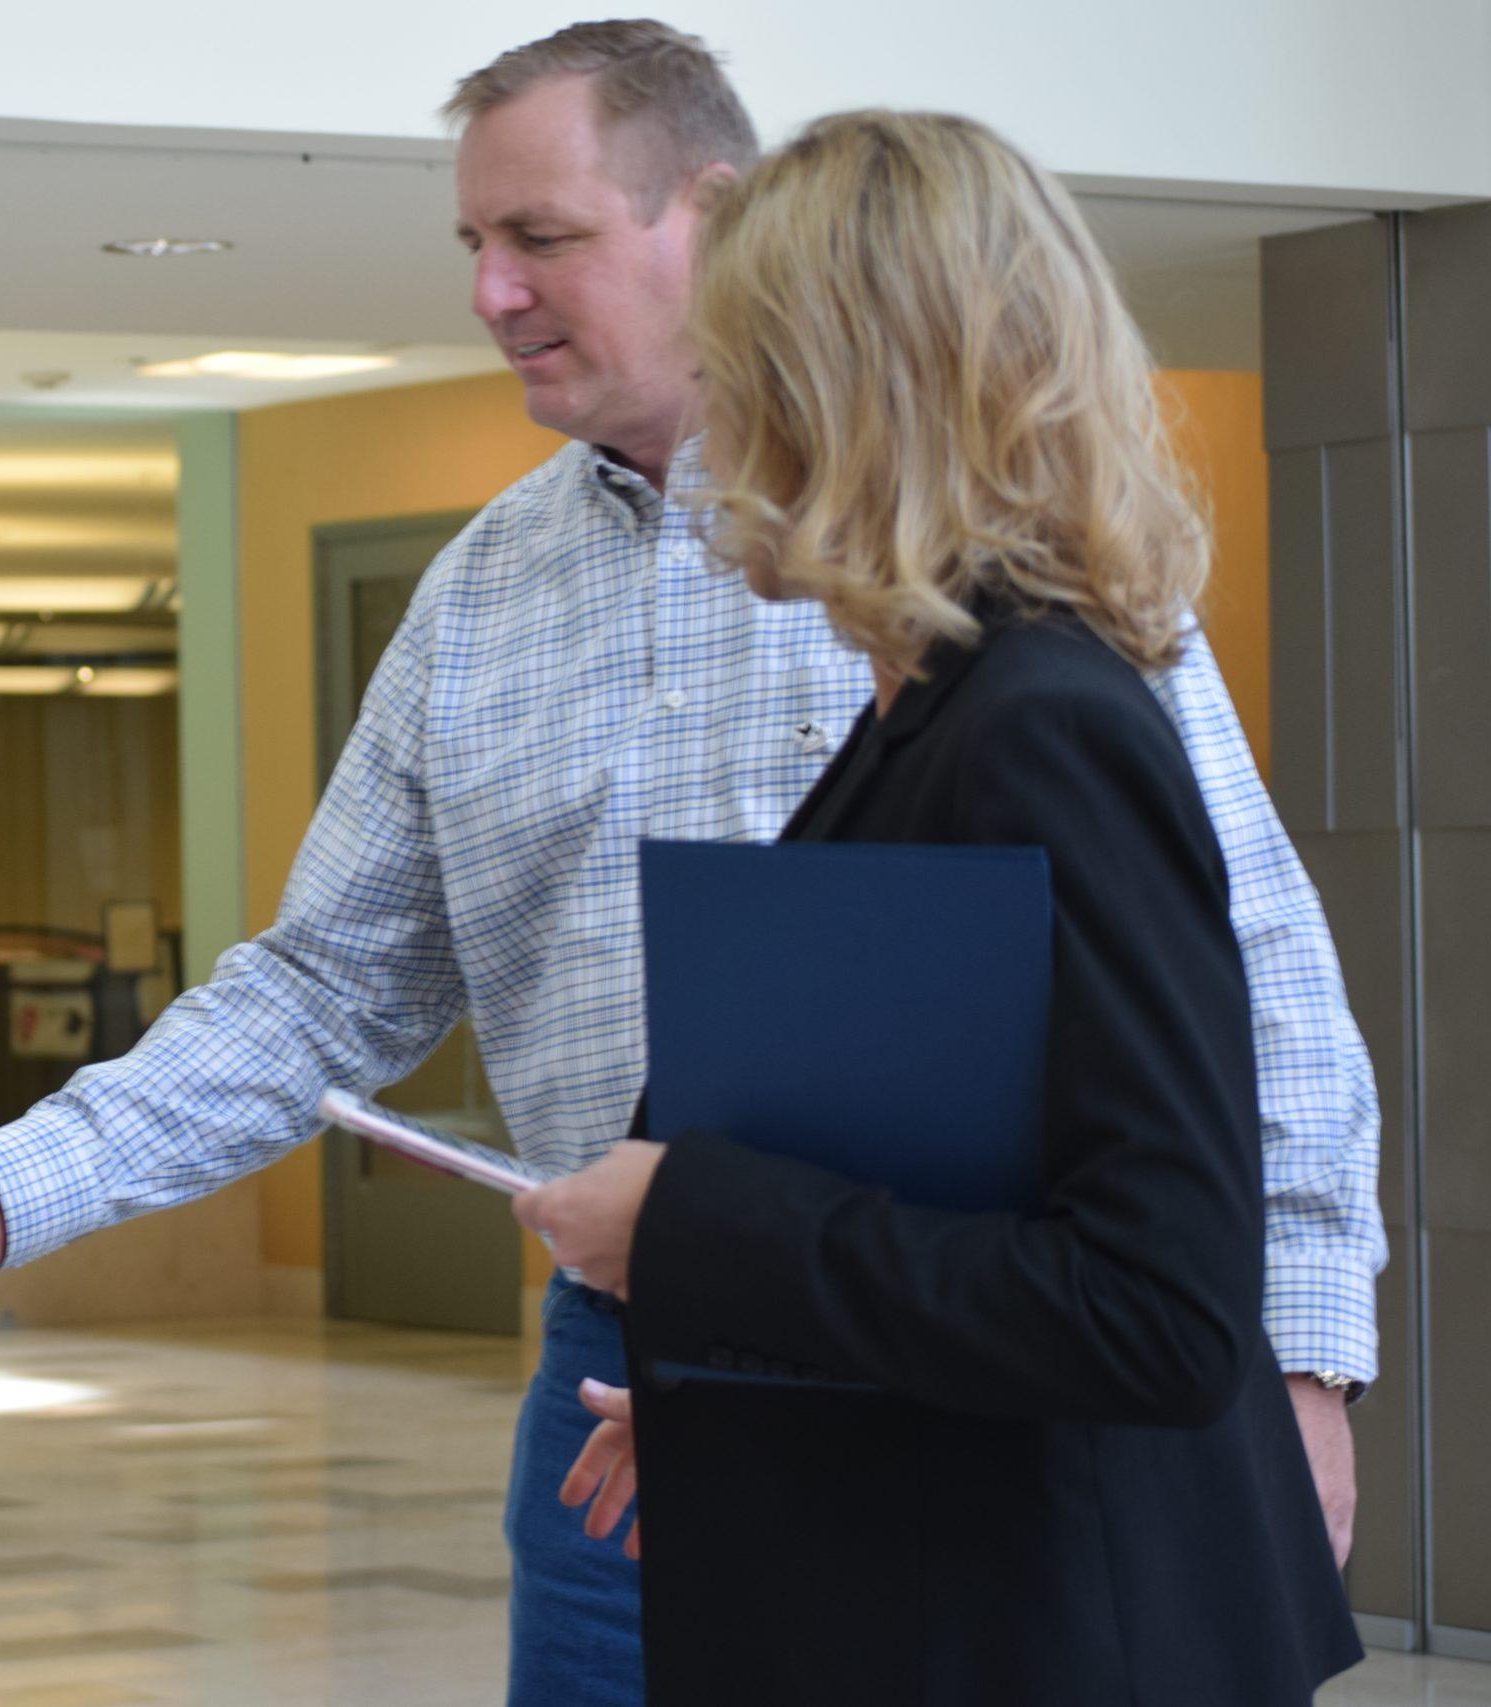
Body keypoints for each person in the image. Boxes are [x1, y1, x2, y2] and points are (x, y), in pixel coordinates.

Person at [0, 21, 1385, 1700]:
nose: (494, 293)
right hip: (633, 1365)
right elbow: (322, 987)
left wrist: (1296, 1363)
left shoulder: (1025, 672)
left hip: (960, 1389)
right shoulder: (486, 595)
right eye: (475, 246)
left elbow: (1247, 990)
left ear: (714, 224)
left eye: (543, 238)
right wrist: (8, 1186)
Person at [512, 109, 1362, 1703]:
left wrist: (689, 1223)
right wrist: (764, 1376)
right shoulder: (935, 702)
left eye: (736, 367)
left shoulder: (1040, 723)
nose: (709, 422)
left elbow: (1154, 1307)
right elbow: (970, 1195)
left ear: (839, 393)